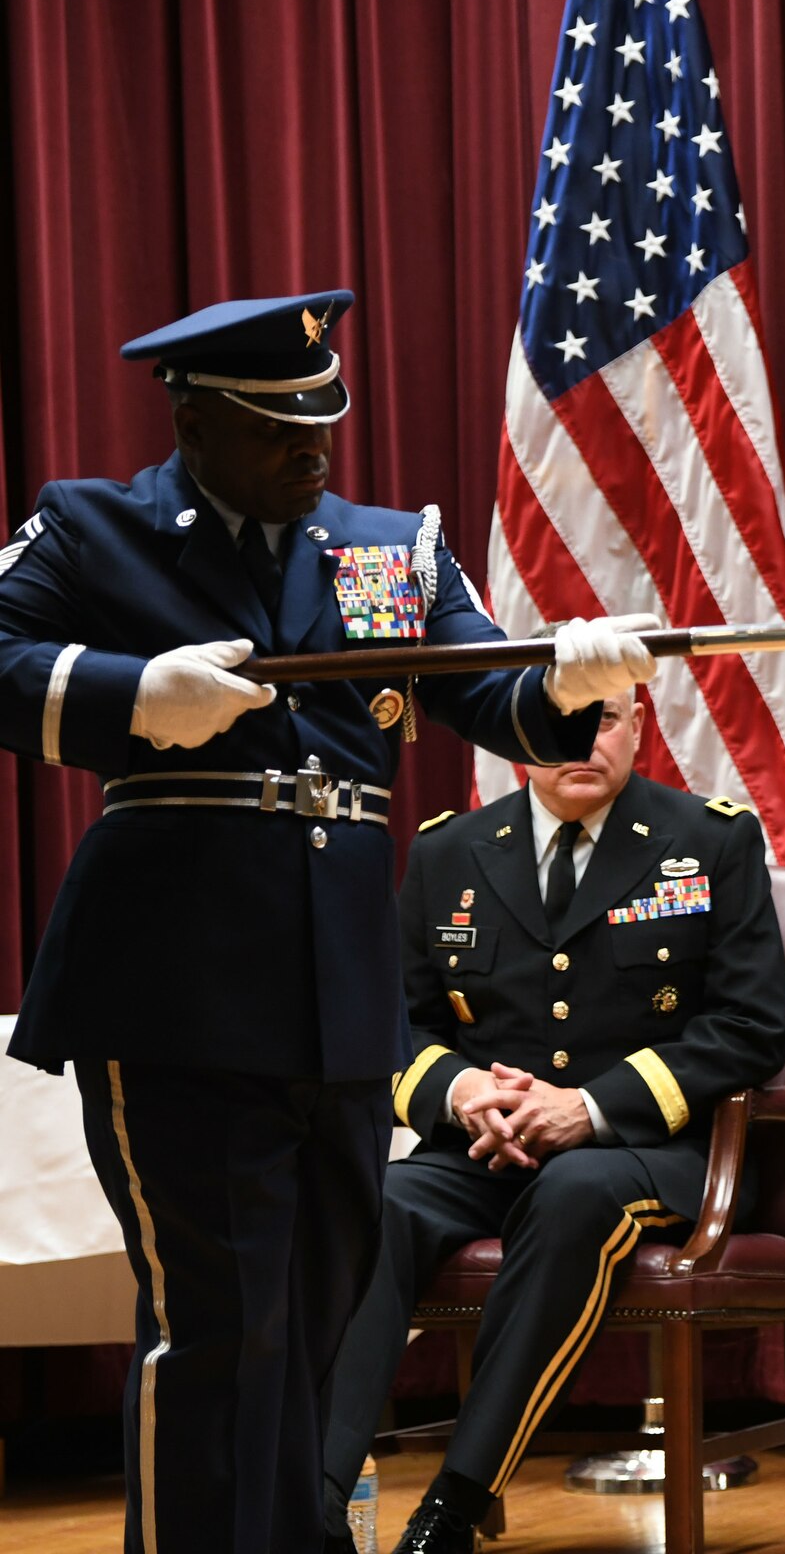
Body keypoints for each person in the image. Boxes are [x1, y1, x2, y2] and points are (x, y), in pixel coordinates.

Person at [0, 291, 659, 1554]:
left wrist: (569, 685)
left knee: (316, 1312)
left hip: (338, 995)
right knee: (213, 1321)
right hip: (173, 988)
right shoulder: (98, 526)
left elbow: (486, 683)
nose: (312, 452)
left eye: (323, 424)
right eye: (274, 428)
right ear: (193, 419)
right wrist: (127, 694)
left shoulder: (386, 547)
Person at [319, 681, 785, 1554]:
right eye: (556, 721)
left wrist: (591, 1108)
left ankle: (454, 1504)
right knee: (375, 1206)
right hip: (484, 1151)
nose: (581, 739)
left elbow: (750, 1029)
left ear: (639, 728)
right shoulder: (446, 852)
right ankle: (313, 1502)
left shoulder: (710, 840)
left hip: (658, 1153)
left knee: (573, 1193)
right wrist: (463, 1096)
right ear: (513, 734)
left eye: (602, 717)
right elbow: (395, 1027)